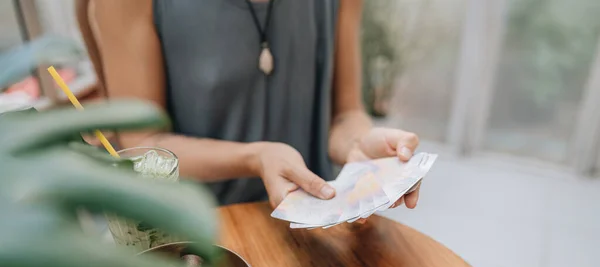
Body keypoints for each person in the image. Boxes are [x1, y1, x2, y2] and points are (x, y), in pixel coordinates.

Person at [90, 0, 421, 209]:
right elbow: (143, 147)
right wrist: (254, 158)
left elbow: (346, 114)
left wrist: (360, 144)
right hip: (203, 242)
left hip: (315, 230)